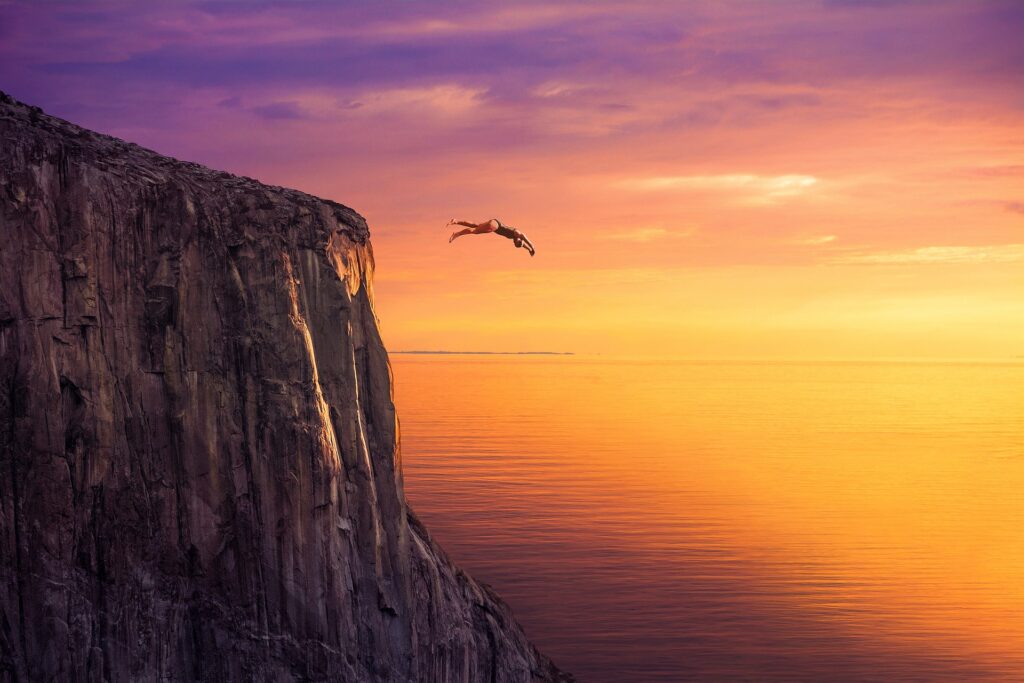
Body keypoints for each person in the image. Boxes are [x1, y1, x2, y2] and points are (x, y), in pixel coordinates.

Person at [447, 218, 536, 256]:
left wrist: (529, 249)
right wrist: (532, 246)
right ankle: (457, 234)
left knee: (475, 224)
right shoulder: (517, 233)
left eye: (515, 243)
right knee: (475, 231)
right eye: (516, 242)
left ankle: (456, 221)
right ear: (519, 240)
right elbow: (524, 237)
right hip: (495, 226)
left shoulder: (516, 238)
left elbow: (523, 244)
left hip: (495, 223)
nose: (514, 242)